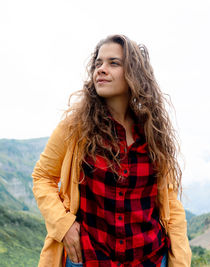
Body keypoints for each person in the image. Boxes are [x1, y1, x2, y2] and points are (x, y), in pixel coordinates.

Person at [32, 34, 192, 267]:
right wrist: (63, 225)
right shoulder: (75, 127)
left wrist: (180, 261)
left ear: (134, 74)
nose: (101, 69)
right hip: (89, 257)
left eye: (113, 63)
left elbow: (170, 204)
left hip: (150, 258)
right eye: (98, 63)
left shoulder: (152, 131)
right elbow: (43, 177)